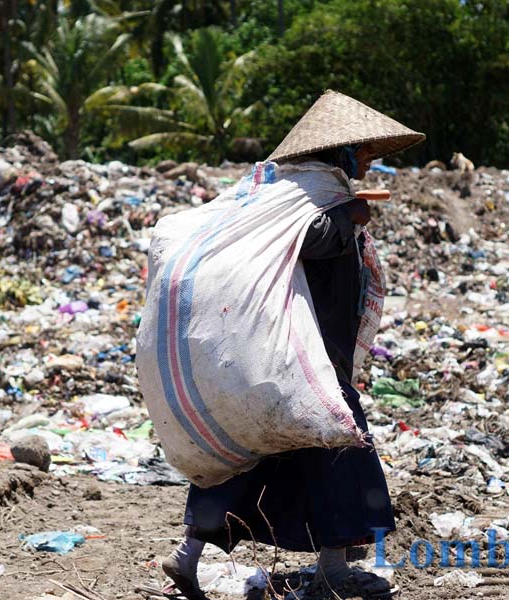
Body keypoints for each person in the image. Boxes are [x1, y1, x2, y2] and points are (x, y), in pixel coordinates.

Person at [161, 90, 424, 600]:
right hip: (307, 358)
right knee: (340, 454)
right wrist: (348, 219)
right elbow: (310, 241)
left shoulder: (284, 195)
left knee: (246, 454)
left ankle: (188, 554)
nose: (369, 160)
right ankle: (330, 572)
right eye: (363, 150)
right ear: (339, 151)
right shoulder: (312, 203)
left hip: (268, 353)